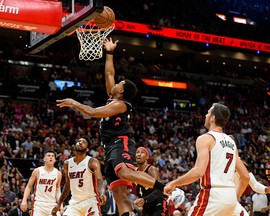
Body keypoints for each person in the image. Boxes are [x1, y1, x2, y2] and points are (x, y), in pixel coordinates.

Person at [56, 37, 184, 216]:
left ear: (121, 91)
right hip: (109, 148)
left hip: (119, 143)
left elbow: (92, 112)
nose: (115, 84)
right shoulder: (113, 98)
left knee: (124, 172)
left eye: (119, 84)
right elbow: (109, 74)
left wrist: (73, 103)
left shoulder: (121, 105)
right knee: (118, 194)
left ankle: (167, 189)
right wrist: (109, 52)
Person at [163, 103, 250, 216]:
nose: (205, 115)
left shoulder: (206, 138)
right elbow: (246, 177)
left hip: (213, 195)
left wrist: (174, 183)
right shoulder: (231, 142)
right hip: (230, 197)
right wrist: (236, 196)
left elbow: (198, 171)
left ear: (213, 118)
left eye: (208, 113)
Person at [51, 136, 106, 216]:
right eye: (79, 141)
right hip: (74, 202)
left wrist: (102, 193)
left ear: (87, 149)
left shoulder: (92, 162)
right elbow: (67, 185)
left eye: (83, 142)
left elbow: (100, 180)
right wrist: (59, 203)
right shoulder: (67, 163)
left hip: (90, 201)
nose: (80, 142)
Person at [20, 150, 62, 216]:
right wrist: (24, 200)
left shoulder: (58, 173)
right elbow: (28, 186)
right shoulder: (37, 171)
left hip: (52, 204)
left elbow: (58, 191)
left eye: (52, 156)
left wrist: (61, 205)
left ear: (55, 160)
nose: (51, 157)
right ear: (44, 159)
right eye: (48, 156)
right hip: (39, 204)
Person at [134, 147, 168, 216]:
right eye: (137, 152)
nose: (139, 154)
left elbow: (159, 190)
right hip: (146, 207)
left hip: (158, 204)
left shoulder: (151, 169)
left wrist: (144, 199)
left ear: (147, 157)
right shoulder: (135, 173)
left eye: (142, 152)